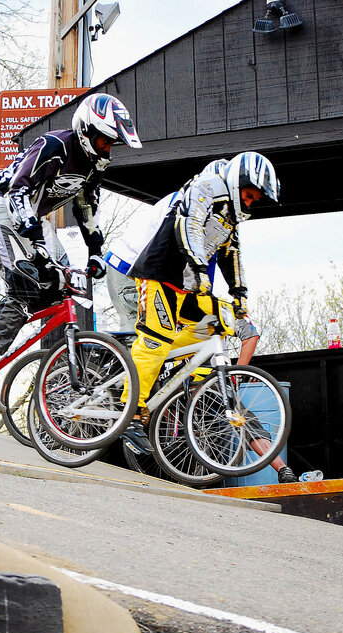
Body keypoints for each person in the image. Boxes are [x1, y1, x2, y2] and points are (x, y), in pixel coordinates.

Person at [110, 153, 297, 482]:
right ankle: (130, 411)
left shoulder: (230, 216)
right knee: (155, 339)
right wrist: (198, 267)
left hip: (189, 288)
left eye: (257, 199)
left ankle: (193, 374)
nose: (252, 201)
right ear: (238, 181)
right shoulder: (206, 187)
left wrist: (239, 294)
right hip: (159, 277)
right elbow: (189, 228)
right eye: (251, 194)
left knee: (221, 321)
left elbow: (231, 255)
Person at [0, 92, 142, 412]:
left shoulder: (92, 168)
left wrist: (96, 252)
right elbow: (17, 190)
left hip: (32, 218)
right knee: (26, 282)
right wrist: (36, 242)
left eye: (112, 144)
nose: (108, 150)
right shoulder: (54, 147)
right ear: (87, 131)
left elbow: (88, 210)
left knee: (61, 284)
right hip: (1, 204)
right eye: (105, 142)